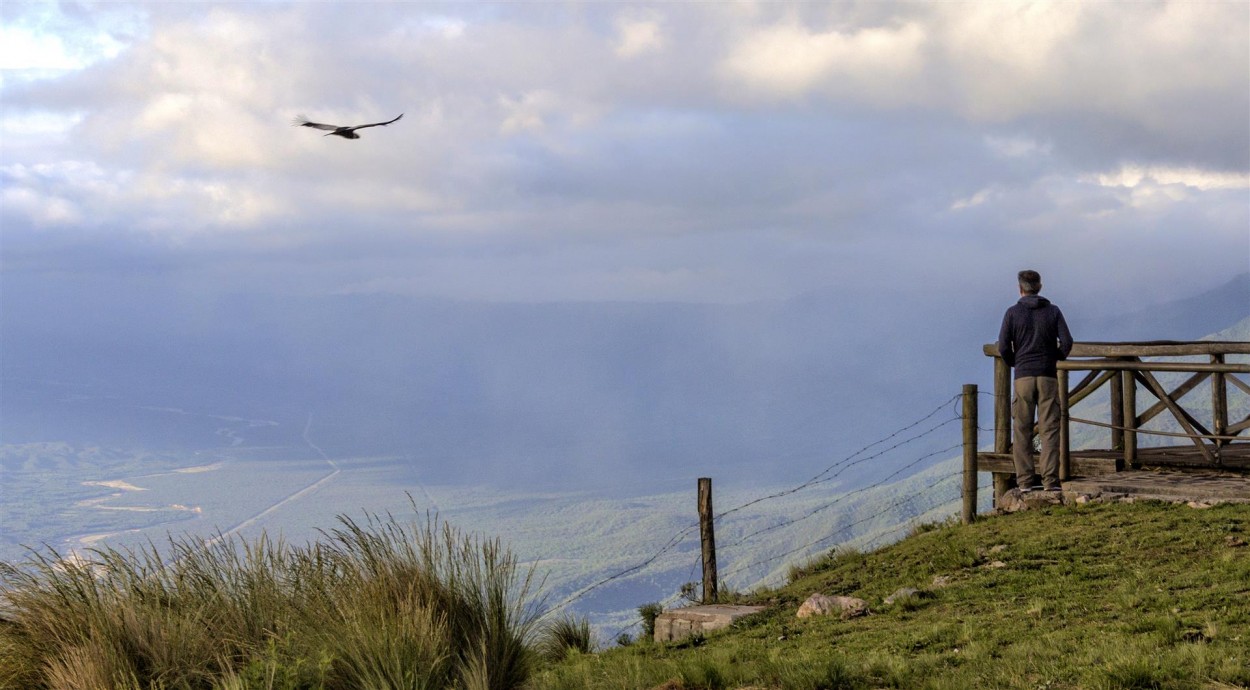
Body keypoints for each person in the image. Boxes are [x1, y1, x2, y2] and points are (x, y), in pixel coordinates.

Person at [997, 270, 1073, 493]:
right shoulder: (1053, 311)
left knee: (1022, 430)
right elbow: (1067, 342)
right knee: (1049, 430)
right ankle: (1051, 481)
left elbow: (1003, 347)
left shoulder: (1012, 313)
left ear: (1020, 288)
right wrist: (1054, 358)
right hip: (1048, 376)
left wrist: (1016, 362)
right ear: (1040, 287)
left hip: (1023, 377)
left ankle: (1025, 482)